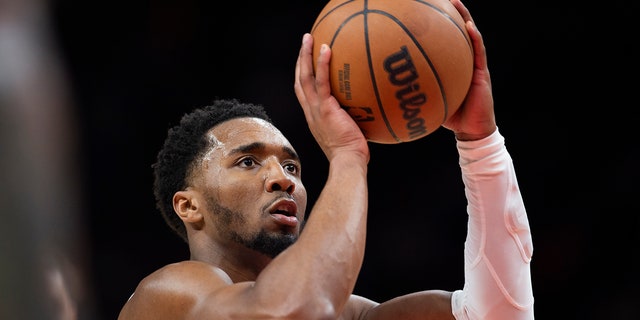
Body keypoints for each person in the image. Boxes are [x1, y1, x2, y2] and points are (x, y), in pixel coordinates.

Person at [117, 0, 534, 318]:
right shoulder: (167, 295)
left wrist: (481, 144)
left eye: (292, 166)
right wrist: (348, 156)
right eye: (248, 162)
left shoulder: (348, 311)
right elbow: (295, 310)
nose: (282, 179)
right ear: (189, 204)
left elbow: (496, 313)